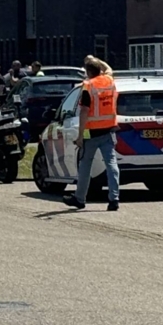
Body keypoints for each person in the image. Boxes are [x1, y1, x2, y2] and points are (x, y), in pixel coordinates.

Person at [63, 56, 121, 212]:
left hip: (91, 133)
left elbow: (84, 112)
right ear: (99, 70)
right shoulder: (108, 81)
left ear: (88, 72)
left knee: (85, 165)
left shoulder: (88, 86)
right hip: (108, 130)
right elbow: (109, 69)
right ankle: (114, 199)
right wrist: (96, 59)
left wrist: (80, 135)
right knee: (111, 164)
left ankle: (80, 198)